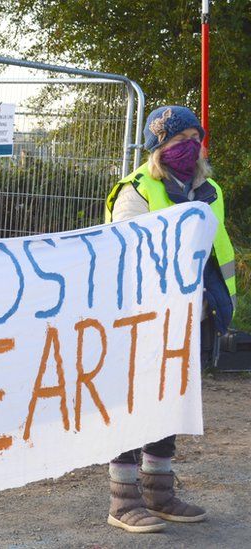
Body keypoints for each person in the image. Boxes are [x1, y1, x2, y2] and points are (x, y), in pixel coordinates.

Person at [103, 105, 236, 533]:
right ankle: (123, 499)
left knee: (170, 400)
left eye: (195, 138)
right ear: (158, 148)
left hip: (193, 314)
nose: (190, 147)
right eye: (179, 141)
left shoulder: (209, 189)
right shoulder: (136, 190)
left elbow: (216, 253)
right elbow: (124, 252)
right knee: (132, 399)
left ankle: (159, 492)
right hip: (140, 316)